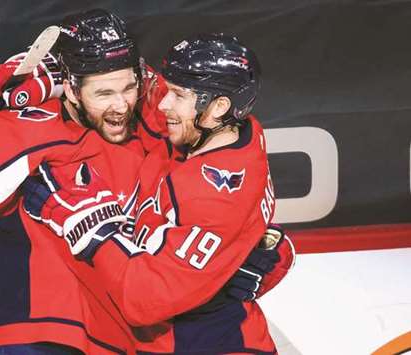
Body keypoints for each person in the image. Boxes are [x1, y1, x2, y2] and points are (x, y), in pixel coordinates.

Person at [0, 9, 291, 355]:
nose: (122, 103)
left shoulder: (155, 116)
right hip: (43, 330)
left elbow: (201, 125)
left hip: (132, 332)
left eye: (128, 85)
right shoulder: (22, 130)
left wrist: (237, 245)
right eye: (103, 91)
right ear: (70, 85)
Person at [22, 33, 292, 354]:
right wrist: (40, 78)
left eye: (177, 95)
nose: (163, 103)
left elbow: (143, 301)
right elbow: (135, 79)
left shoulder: (212, 197)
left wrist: (92, 224)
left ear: (219, 106)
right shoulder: (228, 129)